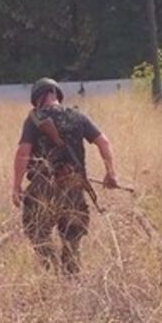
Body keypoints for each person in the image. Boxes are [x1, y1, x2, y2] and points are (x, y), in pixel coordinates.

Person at [12, 78, 119, 274]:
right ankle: (71, 276)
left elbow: (23, 152)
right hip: (73, 186)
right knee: (72, 237)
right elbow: (103, 142)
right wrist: (110, 173)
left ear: (38, 98)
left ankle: (49, 269)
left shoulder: (34, 119)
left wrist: (16, 186)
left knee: (37, 231)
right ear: (56, 94)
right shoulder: (78, 117)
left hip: (42, 188)